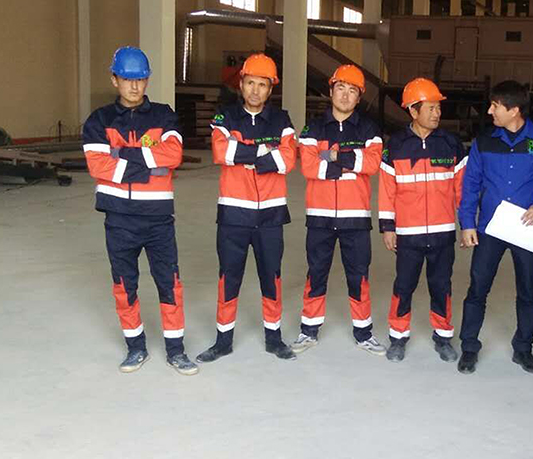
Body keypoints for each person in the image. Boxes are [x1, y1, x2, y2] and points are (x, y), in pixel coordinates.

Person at [81, 46, 197, 375]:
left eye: (141, 79)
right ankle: (136, 348)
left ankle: (176, 351)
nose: (134, 86)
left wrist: (120, 155)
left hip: (159, 220)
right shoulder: (99, 120)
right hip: (119, 220)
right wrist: (149, 165)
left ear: (147, 80)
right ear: (114, 79)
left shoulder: (164, 115)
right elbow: (97, 165)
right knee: (124, 285)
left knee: (170, 284)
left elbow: (172, 156)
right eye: (127, 79)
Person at [456, 80, 533, 375]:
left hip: (526, 228)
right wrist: (467, 223)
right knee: (477, 288)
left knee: (528, 291)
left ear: (514, 110)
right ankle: (469, 347)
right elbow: (470, 185)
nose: (490, 111)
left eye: (495, 106)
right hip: (490, 228)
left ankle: (523, 349)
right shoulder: (484, 141)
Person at [196, 54, 298, 364]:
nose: (255, 90)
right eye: (250, 83)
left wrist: (242, 153)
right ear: (241, 84)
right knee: (229, 278)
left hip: (271, 216)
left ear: (271, 89)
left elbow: (287, 160)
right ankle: (223, 341)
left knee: (272, 277)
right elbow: (220, 151)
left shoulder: (282, 120)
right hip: (233, 215)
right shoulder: (225, 117)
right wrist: (265, 152)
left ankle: (274, 338)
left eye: (262, 85)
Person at [294, 64, 385, 355]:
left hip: (355, 218)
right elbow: (308, 167)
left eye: (352, 91)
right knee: (316, 273)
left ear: (359, 97)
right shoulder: (313, 127)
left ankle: (364, 333)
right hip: (319, 216)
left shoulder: (369, 129)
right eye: (341, 88)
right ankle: (308, 330)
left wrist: (331, 156)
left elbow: (372, 164)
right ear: (331, 91)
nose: (345, 95)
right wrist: (350, 161)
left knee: (359, 275)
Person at [378, 78, 466, 362]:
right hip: (408, 233)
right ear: (413, 111)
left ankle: (443, 337)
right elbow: (387, 191)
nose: (437, 113)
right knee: (404, 286)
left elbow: (461, 189)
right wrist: (388, 227)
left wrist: (467, 225)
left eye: (438, 107)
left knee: (441, 286)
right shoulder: (396, 146)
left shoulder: (451, 144)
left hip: (443, 232)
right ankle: (398, 337)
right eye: (430, 108)